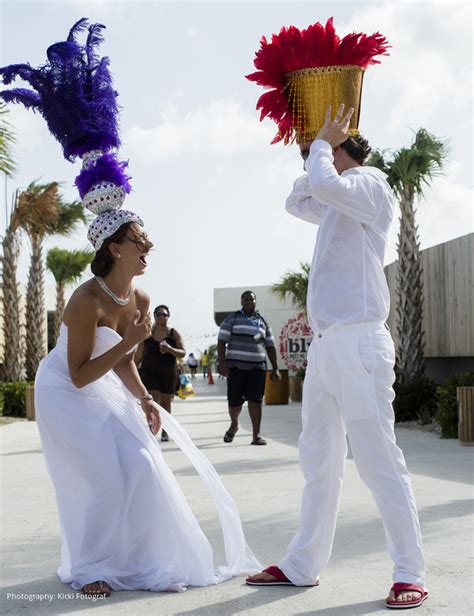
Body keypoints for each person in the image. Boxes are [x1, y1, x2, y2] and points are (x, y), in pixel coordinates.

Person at [1, 19, 260, 598]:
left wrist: (144, 399)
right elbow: (78, 371)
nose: (150, 249)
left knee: (142, 466)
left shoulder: (138, 296)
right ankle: (91, 567)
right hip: (66, 392)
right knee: (97, 479)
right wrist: (133, 341)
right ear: (114, 245)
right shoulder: (83, 302)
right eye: (140, 241)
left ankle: (136, 560)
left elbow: (120, 366)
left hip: (107, 383)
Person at [246, 19, 427, 610]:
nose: (307, 151)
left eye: (316, 147)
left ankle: (409, 570)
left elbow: (320, 182)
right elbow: (299, 195)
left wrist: (323, 140)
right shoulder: (331, 201)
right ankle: (303, 564)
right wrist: (318, 145)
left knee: (378, 460)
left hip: (360, 344)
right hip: (327, 347)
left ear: (345, 144)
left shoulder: (370, 185)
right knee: (318, 460)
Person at [217, 291, 281, 446]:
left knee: (256, 400)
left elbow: (270, 345)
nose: (249, 302)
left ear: (256, 302)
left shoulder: (262, 322)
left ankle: (256, 435)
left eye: (252, 299)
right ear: (241, 302)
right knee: (235, 402)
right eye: (246, 299)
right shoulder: (233, 319)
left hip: (257, 367)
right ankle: (234, 424)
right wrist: (223, 363)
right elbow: (221, 342)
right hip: (236, 368)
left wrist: (275, 368)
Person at [135, 305, 185, 442]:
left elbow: (183, 352)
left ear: (168, 317)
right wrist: (131, 368)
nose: (161, 317)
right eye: (158, 315)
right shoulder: (147, 334)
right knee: (153, 401)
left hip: (168, 373)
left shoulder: (173, 334)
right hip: (149, 372)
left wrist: (170, 349)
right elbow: (139, 354)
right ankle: (152, 428)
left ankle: (165, 430)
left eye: (164, 315)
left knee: (165, 403)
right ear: (155, 317)